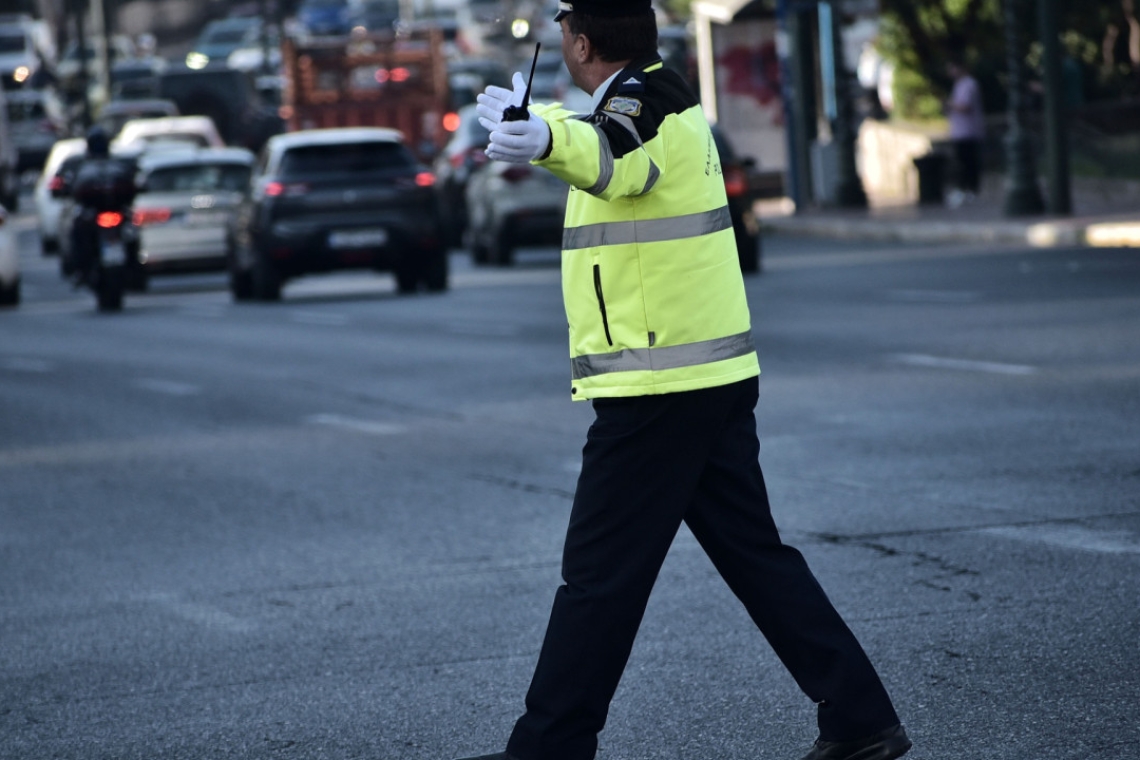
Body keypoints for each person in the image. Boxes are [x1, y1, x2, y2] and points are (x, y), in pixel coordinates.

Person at [456, 3, 912, 760]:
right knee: (754, 558)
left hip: (660, 387)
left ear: (578, 41)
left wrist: (541, 137)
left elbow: (610, 155)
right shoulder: (656, 92)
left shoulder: (647, 103)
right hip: (700, 376)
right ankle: (861, 718)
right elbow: (602, 135)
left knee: (599, 578)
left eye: (564, 33)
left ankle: (548, 748)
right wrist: (541, 122)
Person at [944, 55, 985, 208]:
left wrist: (949, 104)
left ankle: (970, 190)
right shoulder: (958, 85)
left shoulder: (970, 84)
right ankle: (965, 189)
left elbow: (965, 106)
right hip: (959, 131)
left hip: (969, 132)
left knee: (969, 162)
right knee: (962, 161)